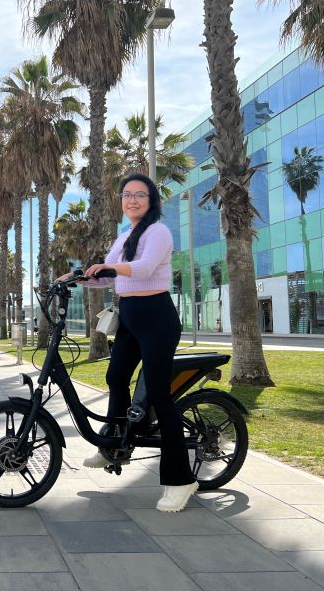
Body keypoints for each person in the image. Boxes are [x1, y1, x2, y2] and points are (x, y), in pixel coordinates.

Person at [60, 172, 197, 513]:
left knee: (160, 396)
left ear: (150, 201)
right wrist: (76, 279)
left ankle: (181, 481)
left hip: (157, 318)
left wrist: (108, 267)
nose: (132, 200)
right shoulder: (124, 237)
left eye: (140, 194)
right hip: (130, 318)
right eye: (126, 195)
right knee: (116, 378)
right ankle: (113, 446)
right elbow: (109, 277)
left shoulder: (158, 232)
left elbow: (145, 267)